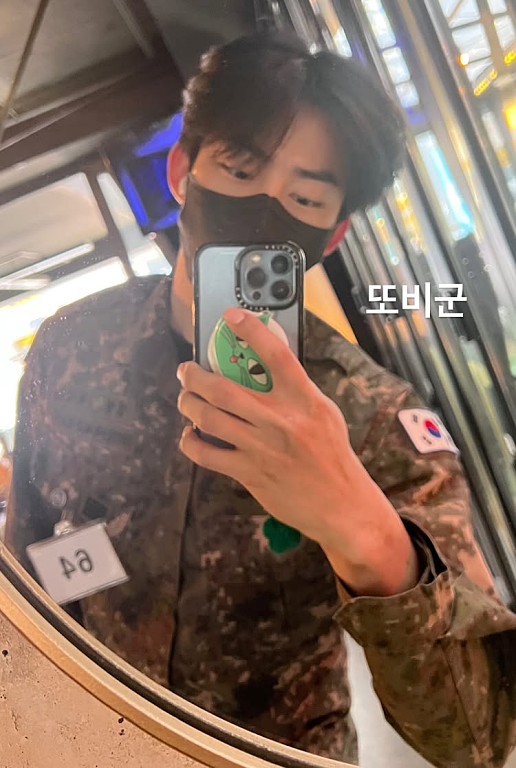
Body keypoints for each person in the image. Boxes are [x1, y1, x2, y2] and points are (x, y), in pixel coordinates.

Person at [6, 32, 516, 767]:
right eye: (240, 168)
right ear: (182, 170)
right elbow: (28, 567)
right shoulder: (69, 347)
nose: (262, 207)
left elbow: (478, 739)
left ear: (331, 235)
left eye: (304, 198)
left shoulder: (374, 418)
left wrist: (365, 532)